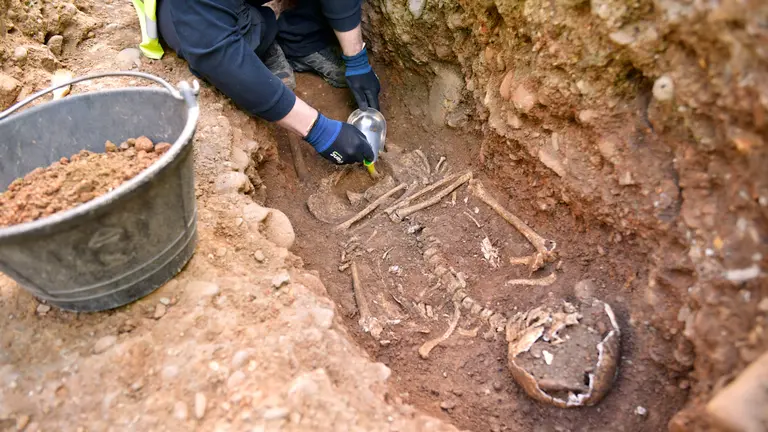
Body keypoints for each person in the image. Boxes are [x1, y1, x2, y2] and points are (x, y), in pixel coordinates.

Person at [156, 0, 381, 165]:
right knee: (244, 35)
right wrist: (318, 129)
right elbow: (215, 52)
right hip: (189, 11)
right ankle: (259, 34)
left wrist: (356, 57)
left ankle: (301, 39)